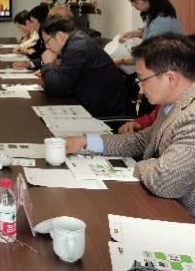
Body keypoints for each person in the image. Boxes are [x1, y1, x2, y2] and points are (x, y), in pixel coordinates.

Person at [65, 34, 195, 216]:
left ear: (170, 78)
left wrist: (142, 165)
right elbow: (144, 140)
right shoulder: (172, 103)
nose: (140, 88)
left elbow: (165, 180)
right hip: (161, 202)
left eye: (142, 79)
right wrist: (87, 142)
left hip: (182, 215)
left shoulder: (191, 115)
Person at [40, 15, 134, 118]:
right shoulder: (75, 41)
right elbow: (64, 80)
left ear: (60, 36)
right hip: (100, 106)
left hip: (111, 116)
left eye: (47, 41)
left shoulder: (77, 48)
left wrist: (47, 64)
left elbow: (57, 87)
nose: (46, 46)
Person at [115, 0, 183, 68]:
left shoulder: (162, 23)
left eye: (134, 1)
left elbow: (146, 55)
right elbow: (146, 30)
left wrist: (121, 60)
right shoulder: (154, 12)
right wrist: (129, 34)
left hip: (170, 67)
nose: (132, 4)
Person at [13, 4, 49, 70]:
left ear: (41, 22)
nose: (31, 25)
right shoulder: (41, 34)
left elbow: (41, 55)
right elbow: (35, 49)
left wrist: (27, 52)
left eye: (32, 22)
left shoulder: (47, 35)